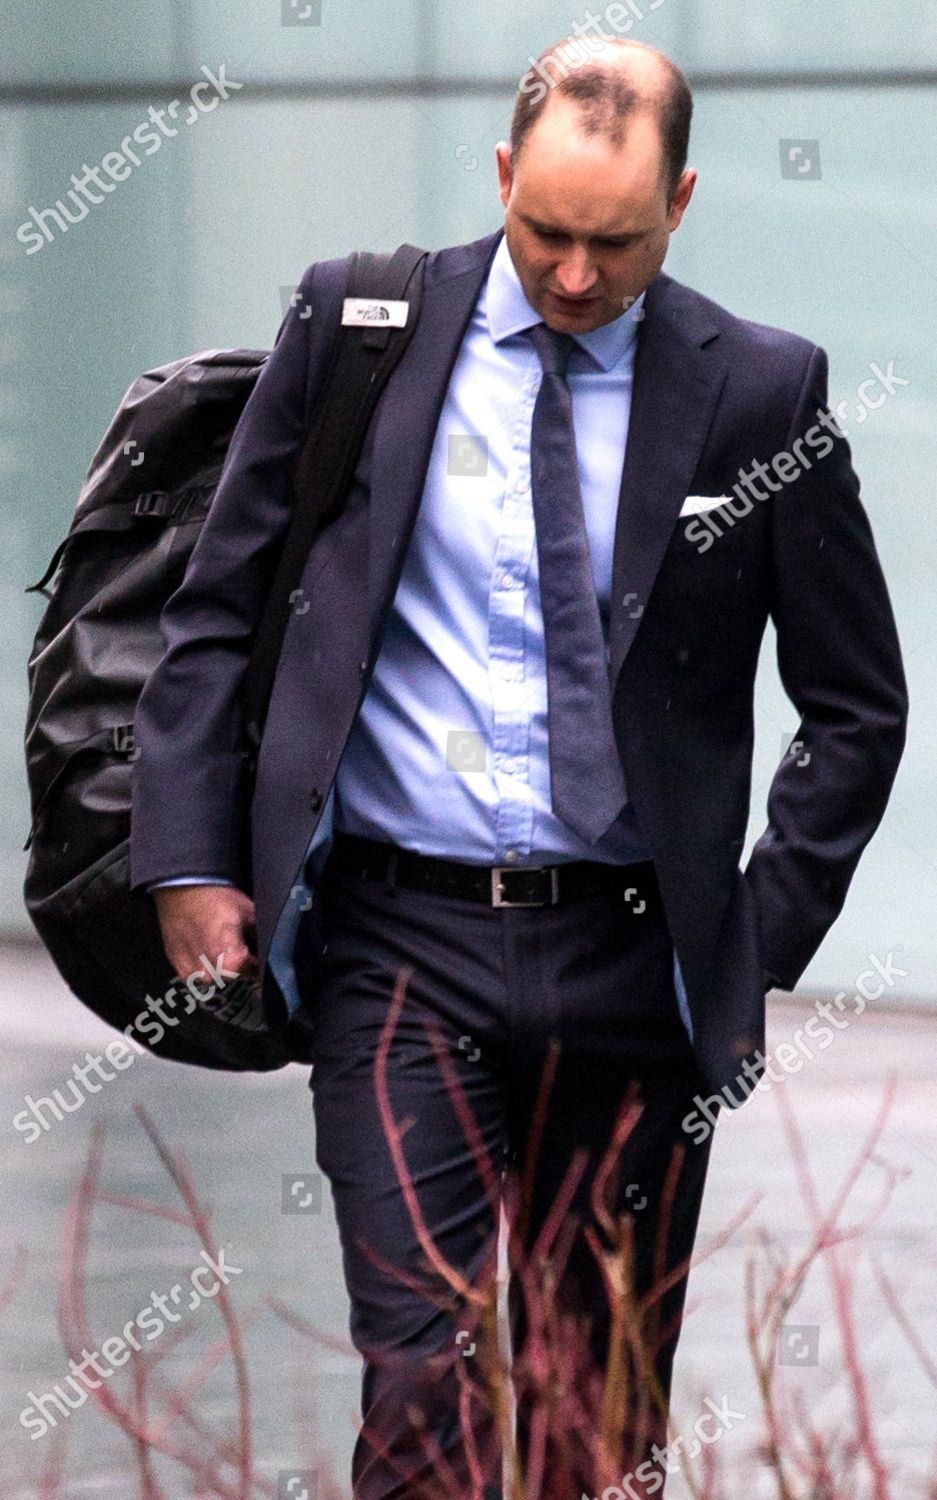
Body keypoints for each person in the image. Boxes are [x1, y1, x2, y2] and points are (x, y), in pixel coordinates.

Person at [130, 35, 908, 1499]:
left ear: (677, 203)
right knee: (423, 1373)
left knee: (592, 1413)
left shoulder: (756, 392)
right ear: (499, 177)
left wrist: (751, 938)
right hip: (396, 944)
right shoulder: (362, 326)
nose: (567, 275)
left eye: (610, 244)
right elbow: (221, 606)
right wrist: (188, 857)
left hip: (633, 966)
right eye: (542, 232)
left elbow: (855, 702)